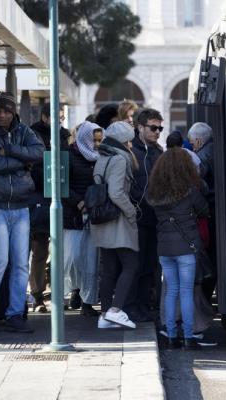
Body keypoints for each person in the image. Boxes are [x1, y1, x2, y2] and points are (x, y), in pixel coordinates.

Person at [0, 91, 45, 333]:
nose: (2, 115)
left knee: (20, 264)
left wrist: (10, 149)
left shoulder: (24, 131)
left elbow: (39, 152)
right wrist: (23, 161)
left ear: (14, 112)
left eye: (6, 110)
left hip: (21, 205)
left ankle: (15, 314)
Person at [147, 147, 209, 350]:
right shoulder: (190, 192)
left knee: (171, 291)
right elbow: (204, 210)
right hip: (186, 247)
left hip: (164, 249)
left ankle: (171, 336)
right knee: (186, 292)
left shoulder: (154, 193)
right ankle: (188, 337)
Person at [91, 121, 140, 329]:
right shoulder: (120, 159)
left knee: (109, 269)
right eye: (129, 140)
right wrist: (131, 212)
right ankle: (116, 310)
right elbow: (116, 193)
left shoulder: (102, 157)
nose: (131, 144)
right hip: (118, 219)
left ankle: (104, 315)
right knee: (131, 265)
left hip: (102, 219)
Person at [28, 103, 71, 312]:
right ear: (45, 117)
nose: (60, 121)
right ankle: (37, 295)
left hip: (59, 197)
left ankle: (56, 293)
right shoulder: (34, 134)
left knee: (58, 251)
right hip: (40, 198)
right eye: (56, 117)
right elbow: (35, 167)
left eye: (61, 117)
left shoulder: (64, 135)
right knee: (40, 250)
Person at [62, 121, 103, 317]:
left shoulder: (100, 158)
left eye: (99, 140)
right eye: (93, 140)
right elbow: (62, 185)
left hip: (93, 216)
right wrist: (78, 202)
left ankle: (88, 301)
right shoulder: (68, 156)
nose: (96, 144)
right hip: (74, 217)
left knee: (91, 261)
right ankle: (74, 290)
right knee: (73, 258)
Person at [128, 108, 164, 321]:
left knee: (149, 265)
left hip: (154, 217)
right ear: (139, 127)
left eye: (160, 128)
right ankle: (131, 305)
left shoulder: (158, 151)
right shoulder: (131, 150)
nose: (157, 132)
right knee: (135, 265)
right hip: (136, 217)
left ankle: (142, 304)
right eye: (153, 128)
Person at [187, 122, 216, 302]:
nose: (190, 145)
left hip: (209, 209)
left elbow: (200, 186)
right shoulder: (215, 149)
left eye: (191, 142)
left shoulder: (201, 157)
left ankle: (204, 298)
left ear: (198, 141)